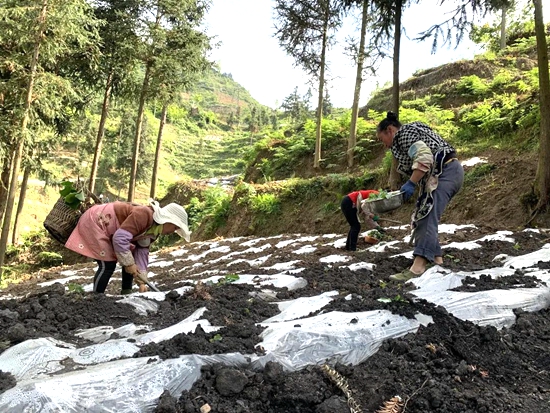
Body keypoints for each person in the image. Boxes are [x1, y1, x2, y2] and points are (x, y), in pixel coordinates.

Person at [376, 111, 464, 281]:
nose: (385, 145)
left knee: (427, 214)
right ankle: (436, 260)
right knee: (423, 214)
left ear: (390, 130)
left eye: (382, 140)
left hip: (445, 172)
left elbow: (424, 156)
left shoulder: (403, 135)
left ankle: (418, 267)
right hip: (448, 172)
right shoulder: (414, 130)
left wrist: (411, 183)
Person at [65, 199, 191, 294]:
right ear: (168, 220)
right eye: (175, 227)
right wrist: (130, 264)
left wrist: (141, 280)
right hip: (97, 221)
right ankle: (97, 298)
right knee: (108, 265)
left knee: (130, 260)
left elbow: (141, 252)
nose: (173, 231)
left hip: (114, 232)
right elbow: (120, 238)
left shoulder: (155, 232)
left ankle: (126, 293)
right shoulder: (144, 215)